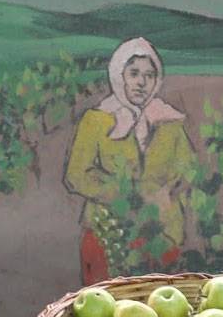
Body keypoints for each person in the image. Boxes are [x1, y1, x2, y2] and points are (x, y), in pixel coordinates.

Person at [65, 37, 195, 285]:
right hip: (108, 232)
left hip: (162, 232)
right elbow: (76, 174)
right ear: (119, 76)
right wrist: (123, 195)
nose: (141, 83)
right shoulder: (97, 120)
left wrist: (164, 193)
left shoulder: (169, 122)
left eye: (149, 75)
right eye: (134, 73)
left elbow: (188, 168)